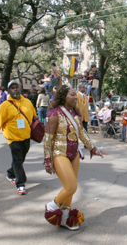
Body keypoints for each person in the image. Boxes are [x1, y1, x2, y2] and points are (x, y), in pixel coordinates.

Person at [43, 85, 105, 230]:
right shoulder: (54, 113)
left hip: (75, 154)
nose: (75, 97)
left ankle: (65, 218)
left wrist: (93, 148)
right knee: (71, 187)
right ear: (63, 96)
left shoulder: (76, 113)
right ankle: (52, 206)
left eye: (75, 95)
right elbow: (48, 139)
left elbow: (82, 133)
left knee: (70, 188)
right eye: (72, 95)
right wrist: (48, 160)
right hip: (60, 153)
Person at [0, 81, 37, 195]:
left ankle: (11, 173)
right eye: (12, 88)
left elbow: (34, 117)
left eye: (17, 87)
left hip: (26, 136)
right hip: (12, 138)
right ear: (9, 91)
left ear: (20, 89)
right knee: (17, 160)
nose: (15, 89)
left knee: (20, 159)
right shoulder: (5, 105)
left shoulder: (27, 102)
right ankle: (21, 184)